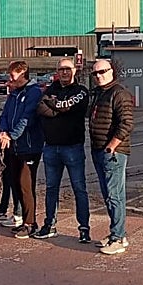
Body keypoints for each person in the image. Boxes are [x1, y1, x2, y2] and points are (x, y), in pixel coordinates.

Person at [33, 58, 91, 242]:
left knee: (79, 188)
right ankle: (49, 224)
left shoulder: (81, 91)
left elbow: (69, 106)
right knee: (51, 188)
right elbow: (41, 109)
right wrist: (57, 107)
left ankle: (84, 228)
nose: (64, 72)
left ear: (74, 70)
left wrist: (56, 106)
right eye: (61, 69)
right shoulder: (50, 89)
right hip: (51, 147)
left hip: (72, 147)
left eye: (67, 69)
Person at [87, 60, 135, 255]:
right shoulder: (99, 94)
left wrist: (111, 146)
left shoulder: (118, 93)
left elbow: (127, 123)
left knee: (114, 195)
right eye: (95, 73)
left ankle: (118, 237)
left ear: (111, 72)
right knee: (109, 195)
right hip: (98, 150)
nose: (98, 76)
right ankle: (117, 234)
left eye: (102, 72)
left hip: (112, 152)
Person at [0, 61, 45, 239]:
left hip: (29, 146)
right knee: (15, 182)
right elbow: (5, 115)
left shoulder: (33, 93)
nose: (10, 78)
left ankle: (30, 223)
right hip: (13, 147)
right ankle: (22, 219)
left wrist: (12, 135)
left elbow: (27, 118)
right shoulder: (14, 94)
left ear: (23, 73)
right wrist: (2, 131)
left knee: (26, 184)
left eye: (13, 75)